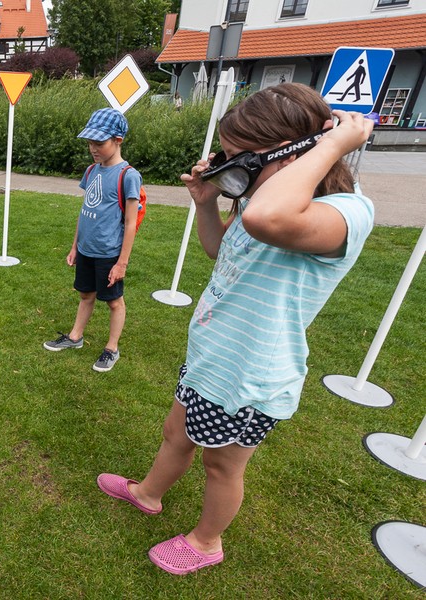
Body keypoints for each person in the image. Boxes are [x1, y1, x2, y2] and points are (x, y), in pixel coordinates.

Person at [96, 83, 374, 575]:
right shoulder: (258, 197)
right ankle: (148, 493)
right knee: (175, 433)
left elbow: (269, 218)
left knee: (221, 465)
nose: (231, 171)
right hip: (212, 356)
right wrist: (207, 202)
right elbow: (219, 251)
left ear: (295, 152)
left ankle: (206, 542)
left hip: (251, 375)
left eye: (241, 159)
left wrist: (333, 142)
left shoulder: (346, 212)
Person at [43, 108, 141, 373]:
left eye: (99, 143)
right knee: (86, 294)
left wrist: (121, 263)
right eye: (89, 143)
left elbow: (131, 222)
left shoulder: (128, 175)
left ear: (118, 140)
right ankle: (75, 337)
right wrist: (75, 246)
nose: (93, 149)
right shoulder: (91, 171)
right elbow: (85, 210)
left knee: (113, 301)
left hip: (109, 252)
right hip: (86, 249)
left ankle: (112, 348)